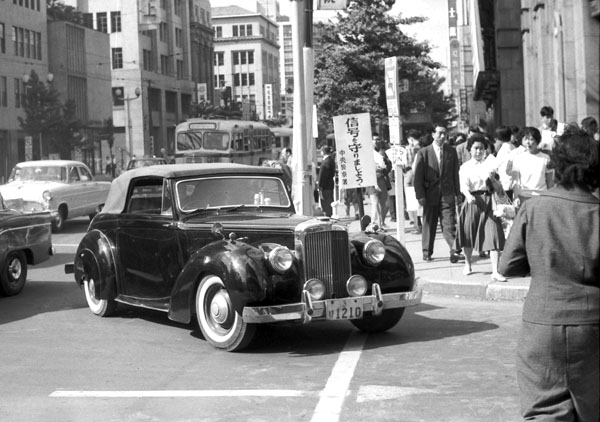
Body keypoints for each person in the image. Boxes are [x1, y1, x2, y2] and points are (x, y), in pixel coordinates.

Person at [499, 127, 599, 422]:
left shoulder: (534, 208)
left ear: (556, 165)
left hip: (542, 324)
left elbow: (508, 266)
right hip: (593, 325)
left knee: (544, 412)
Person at [455, 134, 506, 280]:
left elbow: (499, 187)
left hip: (489, 201)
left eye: (481, 149)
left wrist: (492, 179)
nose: (478, 152)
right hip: (473, 201)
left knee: (493, 234)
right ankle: (467, 263)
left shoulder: (491, 164)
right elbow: (463, 186)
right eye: (476, 148)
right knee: (468, 234)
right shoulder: (465, 167)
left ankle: (495, 271)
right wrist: (468, 196)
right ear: (470, 150)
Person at [413, 125, 464, 263]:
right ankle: (427, 252)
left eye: (444, 134)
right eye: (440, 133)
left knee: (449, 224)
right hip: (429, 195)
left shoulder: (451, 151)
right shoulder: (424, 152)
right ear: (433, 134)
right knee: (429, 224)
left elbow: (455, 174)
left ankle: (455, 250)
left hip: (447, 194)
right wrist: (420, 196)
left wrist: (458, 193)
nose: (442, 137)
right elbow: (417, 177)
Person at [507, 127, 553, 206]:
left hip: (541, 196)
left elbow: (549, 181)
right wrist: (516, 197)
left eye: (531, 139)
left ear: (537, 141)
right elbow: (516, 181)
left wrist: (550, 197)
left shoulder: (546, 158)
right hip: (524, 196)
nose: (528, 142)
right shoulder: (518, 158)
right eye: (525, 139)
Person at [367, 136, 392, 228]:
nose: (377, 141)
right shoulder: (368, 152)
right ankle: (375, 224)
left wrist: (384, 167)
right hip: (372, 180)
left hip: (382, 179)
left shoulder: (383, 153)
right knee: (375, 203)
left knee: (385, 203)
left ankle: (381, 221)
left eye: (378, 139)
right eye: (375, 139)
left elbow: (389, 166)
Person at [317, 146, 335, 217]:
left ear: (323, 152)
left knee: (325, 202)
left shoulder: (326, 162)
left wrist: (320, 186)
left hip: (325, 187)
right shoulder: (331, 160)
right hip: (330, 185)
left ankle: (327, 215)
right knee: (329, 201)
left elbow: (322, 175)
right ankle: (329, 214)